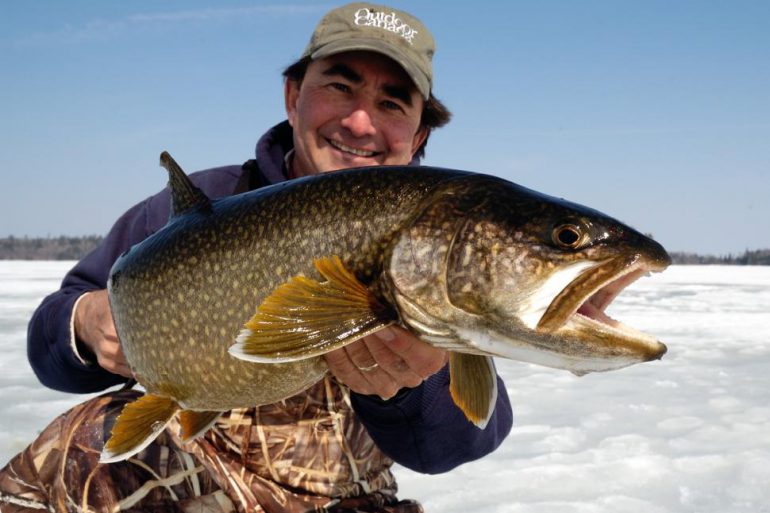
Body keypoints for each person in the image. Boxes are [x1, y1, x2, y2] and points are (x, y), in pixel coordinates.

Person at [1, 3, 512, 512]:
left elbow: (461, 440)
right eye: (340, 86)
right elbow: (50, 340)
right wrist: (85, 323)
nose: (360, 122)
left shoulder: (431, 244)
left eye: (392, 104)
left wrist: (406, 386)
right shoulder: (200, 207)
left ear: (418, 135)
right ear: (293, 97)